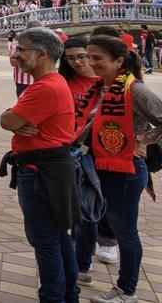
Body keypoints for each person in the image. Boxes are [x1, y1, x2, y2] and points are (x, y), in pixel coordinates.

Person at [75, 36, 162, 303]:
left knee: (124, 230)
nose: (90, 63)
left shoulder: (134, 90)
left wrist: (142, 140)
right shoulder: (99, 89)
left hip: (126, 170)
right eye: (89, 57)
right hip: (98, 166)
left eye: (97, 58)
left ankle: (126, 290)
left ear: (119, 61)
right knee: (100, 221)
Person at [0, 28, 78, 303]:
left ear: (42, 54)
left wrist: (11, 117)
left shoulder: (45, 87)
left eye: (22, 50)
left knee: (45, 241)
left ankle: (53, 297)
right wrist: (15, 118)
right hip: (51, 169)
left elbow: (8, 121)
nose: (16, 55)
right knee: (58, 237)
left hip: (41, 173)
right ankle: (69, 294)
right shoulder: (52, 83)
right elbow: (14, 120)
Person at [62, 37, 121, 275]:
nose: (78, 62)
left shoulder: (110, 81)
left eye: (82, 56)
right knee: (81, 200)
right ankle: (80, 256)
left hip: (108, 148)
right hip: (76, 148)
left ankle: (108, 240)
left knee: (105, 196)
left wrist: (141, 141)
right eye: (71, 58)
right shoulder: (65, 82)